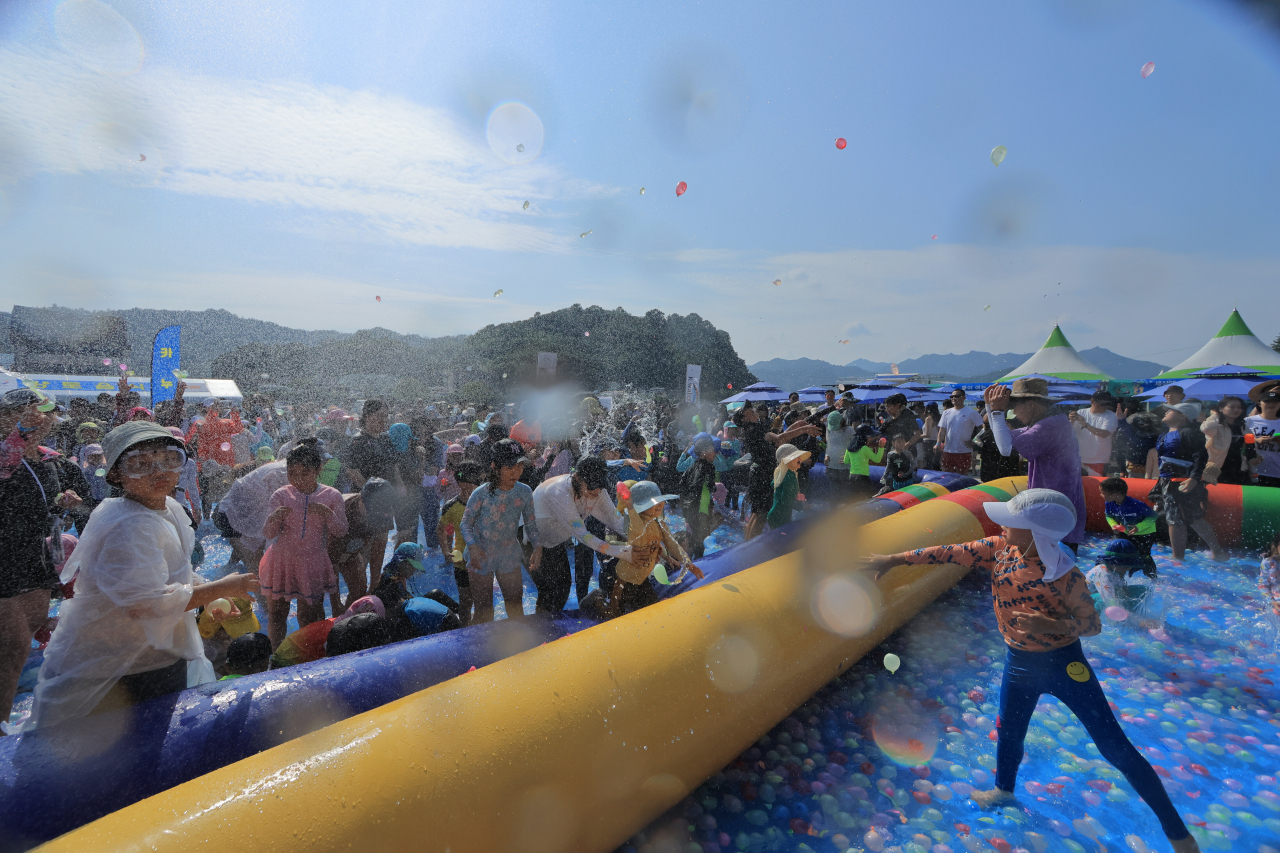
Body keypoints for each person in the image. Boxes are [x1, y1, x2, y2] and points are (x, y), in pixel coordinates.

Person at [863, 489, 1199, 853]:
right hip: (1019, 663)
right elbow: (948, 552)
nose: (1001, 524)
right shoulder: (998, 549)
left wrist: (1049, 625)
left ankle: (1178, 834)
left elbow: (1092, 625)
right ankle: (1004, 790)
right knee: (1008, 731)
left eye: (1012, 522)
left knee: (1113, 746)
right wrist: (893, 559)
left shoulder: (1067, 577)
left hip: (1064, 665)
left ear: (1036, 533)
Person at [27, 421, 259, 730]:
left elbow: (173, 572)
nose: (158, 471)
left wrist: (209, 591)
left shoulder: (168, 509)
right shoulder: (128, 525)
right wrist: (222, 586)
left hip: (153, 658)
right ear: (116, 475)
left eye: (168, 459)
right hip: (113, 669)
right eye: (139, 464)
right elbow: (142, 605)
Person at [0, 389, 84, 732]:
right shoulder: (6, 451)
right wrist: (18, 432)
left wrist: (59, 503)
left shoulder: (48, 458)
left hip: (33, 556)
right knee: (13, 647)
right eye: (26, 413)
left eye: (44, 413)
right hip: (2, 556)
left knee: (25, 640)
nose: (40, 419)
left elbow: (33, 506)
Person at [259, 442, 349, 648]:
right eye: (292, 473)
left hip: (312, 561)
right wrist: (273, 518)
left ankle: (308, 653)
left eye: (305, 473)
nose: (298, 479)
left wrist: (328, 515)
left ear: (318, 470)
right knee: (278, 614)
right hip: (281, 560)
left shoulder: (331, 496)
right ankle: (276, 656)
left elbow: (341, 530)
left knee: (309, 614)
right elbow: (269, 534)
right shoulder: (281, 495)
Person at [982, 378, 1086, 552]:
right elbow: (1004, 437)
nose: (1013, 412)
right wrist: (990, 408)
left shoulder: (1049, 426)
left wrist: (998, 411)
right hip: (1056, 510)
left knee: (1051, 571)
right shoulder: (1050, 422)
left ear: (1030, 405)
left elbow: (1006, 449)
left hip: (1056, 513)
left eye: (1014, 406)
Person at [532, 456, 633, 614]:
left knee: (563, 586)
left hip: (553, 541)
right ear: (577, 477)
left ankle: (550, 624)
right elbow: (582, 536)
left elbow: (618, 522)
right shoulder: (560, 492)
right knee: (548, 591)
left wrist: (647, 542)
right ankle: (542, 631)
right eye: (591, 486)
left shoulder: (597, 490)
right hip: (532, 539)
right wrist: (621, 552)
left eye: (600, 486)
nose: (596, 492)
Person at [460, 439, 541, 622]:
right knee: (483, 609)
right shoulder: (481, 493)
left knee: (514, 603)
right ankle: (480, 648)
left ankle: (518, 645)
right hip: (480, 553)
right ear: (495, 466)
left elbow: (531, 524)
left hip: (508, 553)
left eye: (520, 466)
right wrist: (472, 546)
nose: (516, 472)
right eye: (510, 467)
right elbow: (465, 523)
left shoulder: (524, 492)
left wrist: (538, 546)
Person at [603, 481, 703, 618]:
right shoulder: (634, 522)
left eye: (661, 502)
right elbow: (637, 530)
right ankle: (595, 599)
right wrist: (630, 507)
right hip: (623, 580)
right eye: (654, 503)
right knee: (613, 615)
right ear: (641, 506)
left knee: (651, 613)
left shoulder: (659, 524)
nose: (660, 505)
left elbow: (673, 545)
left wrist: (688, 563)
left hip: (642, 579)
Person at [1147, 402, 1226, 562]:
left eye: (1171, 411)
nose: (1166, 412)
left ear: (1182, 416)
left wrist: (1194, 478)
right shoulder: (1166, 433)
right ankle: (1213, 552)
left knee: (1182, 518)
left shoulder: (1189, 432)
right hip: (1168, 480)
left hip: (1182, 481)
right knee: (1184, 517)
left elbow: (1200, 456)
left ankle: (1180, 557)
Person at [735, 404, 822, 540]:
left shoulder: (753, 428)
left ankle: (747, 544)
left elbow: (779, 437)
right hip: (762, 473)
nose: (753, 410)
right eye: (749, 411)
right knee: (761, 514)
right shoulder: (755, 429)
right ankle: (751, 549)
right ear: (745, 418)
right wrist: (804, 429)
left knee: (757, 513)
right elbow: (779, 440)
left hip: (758, 472)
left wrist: (797, 426)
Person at [326, 477, 398, 611]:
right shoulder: (342, 510)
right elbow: (330, 561)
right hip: (324, 552)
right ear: (361, 500)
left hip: (352, 549)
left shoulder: (385, 513)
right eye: (371, 513)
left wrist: (374, 583)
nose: (373, 518)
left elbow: (378, 549)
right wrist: (335, 602)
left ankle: (348, 618)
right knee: (329, 604)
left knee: (360, 589)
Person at [436, 461, 483, 626]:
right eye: (476, 480)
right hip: (461, 560)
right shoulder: (451, 506)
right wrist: (445, 551)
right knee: (465, 600)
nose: (480, 484)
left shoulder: (485, 503)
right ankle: (465, 630)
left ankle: (479, 628)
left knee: (482, 601)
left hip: (483, 559)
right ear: (462, 483)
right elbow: (440, 529)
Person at [1099, 477, 1159, 578]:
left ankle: (1152, 577)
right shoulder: (1109, 503)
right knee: (1122, 553)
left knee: (1144, 555)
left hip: (1144, 533)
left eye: (1103, 493)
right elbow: (1108, 515)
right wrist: (1113, 524)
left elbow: (1154, 516)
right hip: (1127, 532)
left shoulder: (1136, 504)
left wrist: (1138, 527)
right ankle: (1124, 574)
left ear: (1116, 494)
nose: (1101, 495)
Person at [680, 436, 723, 557]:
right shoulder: (709, 467)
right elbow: (710, 486)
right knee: (701, 540)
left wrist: (686, 503)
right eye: (712, 450)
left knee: (695, 537)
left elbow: (682, 485)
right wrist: (714, 487)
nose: (715, 453)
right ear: (704, 452)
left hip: (690, 509)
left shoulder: (691, 467)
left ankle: (687, 561)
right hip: (701, 509)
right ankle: (699, 564)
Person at [1200, 396, 1252, 485]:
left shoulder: (1242, 426)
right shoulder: (1216, 425)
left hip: (1238, 468)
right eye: (1231, 407)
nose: (1236, 410)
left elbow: (1249, 445)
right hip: (1216, 469)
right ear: (1221, 408)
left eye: (1239, 407)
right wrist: (1215, 414)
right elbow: (1205, 429)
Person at [1069, 390, 1118, 476]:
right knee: (1079, 486)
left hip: (1099, 460)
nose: (1104, 407)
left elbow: (1104, 434)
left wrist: (1086, 425)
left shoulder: (1111, 415)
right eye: (1102, 404)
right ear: (1092, 401)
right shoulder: (1081, 412)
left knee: (1096, 487)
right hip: (1079, 459)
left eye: (1107, 404)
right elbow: (1070, 432)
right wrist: (1071, 421)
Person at [936, 389, 983, 474]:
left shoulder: (971, 412)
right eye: (952, 396)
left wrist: (975, 441)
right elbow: (942, 430)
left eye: (956, 396)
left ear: (964, 398)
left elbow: (983, 428)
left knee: (962, 475)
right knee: (947, 474)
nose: (953, 398)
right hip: (948, 450)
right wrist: (938, 443)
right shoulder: (946, 412)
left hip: (964, 450)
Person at [1112, 398, 1161, 478]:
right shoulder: (1153, 422)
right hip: (1153, 466)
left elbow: (1120, 449)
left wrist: (1122, 469)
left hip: (1137, 466)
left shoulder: (1125, 426)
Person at [767, 443, 810, 529]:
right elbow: (786, 500)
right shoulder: (790, 476)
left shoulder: (781, 472)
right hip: (782, 517)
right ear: (787, 460)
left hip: (775, 513)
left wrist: (794, 494)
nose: (800, 460)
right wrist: (801, 506)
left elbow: (774, 485)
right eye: (797, 459)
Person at [1246, 379, 1280, 487]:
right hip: (1254, 471)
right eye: (1267, 401)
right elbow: (1238, 439)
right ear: (1259, 403)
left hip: (1277, 472)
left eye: (1275, 400)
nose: (1271, 404)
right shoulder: (1248, 421)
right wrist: (1257, 440)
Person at [843, 426, 885, 501]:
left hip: (852, 476)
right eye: (870, 437)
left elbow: (846, 461)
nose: (871, 439)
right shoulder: (864, 449)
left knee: (856, 498)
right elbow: (877, 459)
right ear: (866, 437)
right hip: (862, 478)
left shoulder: (849, 448)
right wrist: (881, 447)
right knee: (869, 498)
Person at [823, 410, 854, 503]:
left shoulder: (849, 430)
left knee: (846, 493)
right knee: (834, 494)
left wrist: (847, 456)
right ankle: (834, 513)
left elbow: (855, 447)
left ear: (841, 421)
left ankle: (847, 513)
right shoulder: (829, 429)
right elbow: (829, 445)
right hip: (832, 467)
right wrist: (826, 455)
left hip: (846, 467)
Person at [1260, 533, 1280, 617]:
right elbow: (1263, 585)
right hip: (1275, 600)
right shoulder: (1268, 563)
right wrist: (1271, 601)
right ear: (1276, 547)